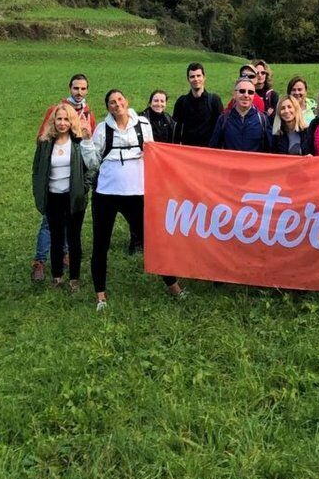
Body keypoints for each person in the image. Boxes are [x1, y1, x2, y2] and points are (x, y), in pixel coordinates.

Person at [89, 90, 184, 309]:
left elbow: (151, 153)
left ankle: (173, 286)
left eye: (120, 100)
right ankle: (100, 296)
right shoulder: (102, 129)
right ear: (108, 107)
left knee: (151, 241)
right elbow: (93, 162)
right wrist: (86, 140)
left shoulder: (142, 124)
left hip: (136, 193)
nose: (117, 105)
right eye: (112, 102)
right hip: (106, 194)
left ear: (127, 101)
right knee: (100, 244)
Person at [31, 74, 97, 282]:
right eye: (76, 88)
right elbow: (42, 140)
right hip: (52, 190)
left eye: (83, 89)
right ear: (70, 88)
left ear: (87, 90)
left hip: (73, 187)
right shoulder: (56, 109)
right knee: (49, 226)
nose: (79, 92)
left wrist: (84, 185)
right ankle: (40, 261)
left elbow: (89, 153)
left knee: (71, 229)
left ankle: (66, 259)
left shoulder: (89, 114)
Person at [210, 78, 272, 151]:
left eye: (250, 92)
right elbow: (213, 150)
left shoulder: (263, 120)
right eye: (242, 91)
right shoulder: (223, 119)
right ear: (234, 94)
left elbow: (269, 150)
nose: (246, 95)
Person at [173, 62, 223, 147]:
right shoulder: (182, 102)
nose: (196, 79)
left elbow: (220, 128)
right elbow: (176, 129)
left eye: (198, 75)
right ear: (188, 79)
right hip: (187, 152)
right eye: (192, 76)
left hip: (208, 152)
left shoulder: (214, 100)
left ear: (204, 77)